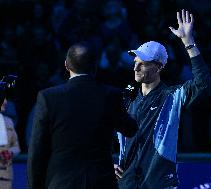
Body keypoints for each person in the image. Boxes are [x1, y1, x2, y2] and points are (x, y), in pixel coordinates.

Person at [115, 10, 210, 189]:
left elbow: (202, 81)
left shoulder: (172, 96)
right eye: (135, 62)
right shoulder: (127, 95)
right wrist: (107, 161)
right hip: (126, 184)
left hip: (159, 184)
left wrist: (188, 42)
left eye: (142, 63)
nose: (136, 67)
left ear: (158, 67)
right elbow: (105, 128)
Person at [27, 41, 138, 189]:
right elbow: (130, 129)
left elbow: (37, 150)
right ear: (95, 66)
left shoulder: (48, 97)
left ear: (66, 65)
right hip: (100, 183)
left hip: (61, 183)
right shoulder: (111, 95)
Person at [0, 98, 21, 189]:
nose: (5, 102)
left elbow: (16, 146)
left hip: (5, 176)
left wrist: (10, 152)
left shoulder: (9, 122)